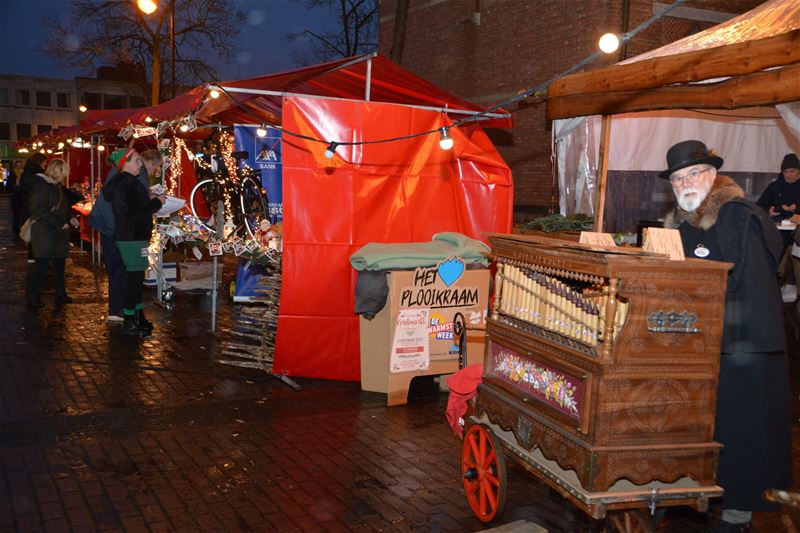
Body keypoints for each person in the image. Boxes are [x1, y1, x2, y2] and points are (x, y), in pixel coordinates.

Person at [659, 140, 792, 532]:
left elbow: (745, 285)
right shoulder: (682, 223)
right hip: (705, 342)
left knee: (742, 429)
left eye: (692, 174)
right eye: (677, 178)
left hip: (744, 344)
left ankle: (738, 512)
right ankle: (695, 496)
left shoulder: (736, 216)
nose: (684, 183)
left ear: (713, 175)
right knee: (703, 427)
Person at [89, 148, 162, 322]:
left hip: (114, 228)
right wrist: (157, 202)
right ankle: (127, 314)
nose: (151, 171)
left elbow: (127, 201)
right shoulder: (132, 178)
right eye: (155, 168)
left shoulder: (120, 177)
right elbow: (135, 211)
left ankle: (120, 310)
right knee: (130, 273)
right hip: (124, 231)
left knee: (120, 270)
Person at [26, 159, 77, 311]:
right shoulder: (42, 185)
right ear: (58, 171)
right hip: (44, 232)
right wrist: (60, 223)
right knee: (41, 267)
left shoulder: (55, 185)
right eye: (64, 172)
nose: (65, 176)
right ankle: (33, 297)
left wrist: (70, 217)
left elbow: (62, 206)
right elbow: (38, 209)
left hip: (56, 233)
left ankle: (61, 294)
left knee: (59, 266)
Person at [757, 153, 800, 302]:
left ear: (799, 171)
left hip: (797, 232)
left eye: (792, 171)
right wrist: (769, 210)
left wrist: (796, 208)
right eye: (786, 172)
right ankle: (776, 285)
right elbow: (759, 205)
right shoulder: (775, 186)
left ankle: (790, 284)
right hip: (778, 229)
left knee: (794, 253)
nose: (789, 175)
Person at [12, 153, 47, 243]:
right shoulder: (34, 173)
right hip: (32, 204)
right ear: (39, 161)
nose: (45, 164)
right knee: (32, 228)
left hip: (30, 203)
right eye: (44, 162)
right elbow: (27, 188)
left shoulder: (29, 172)